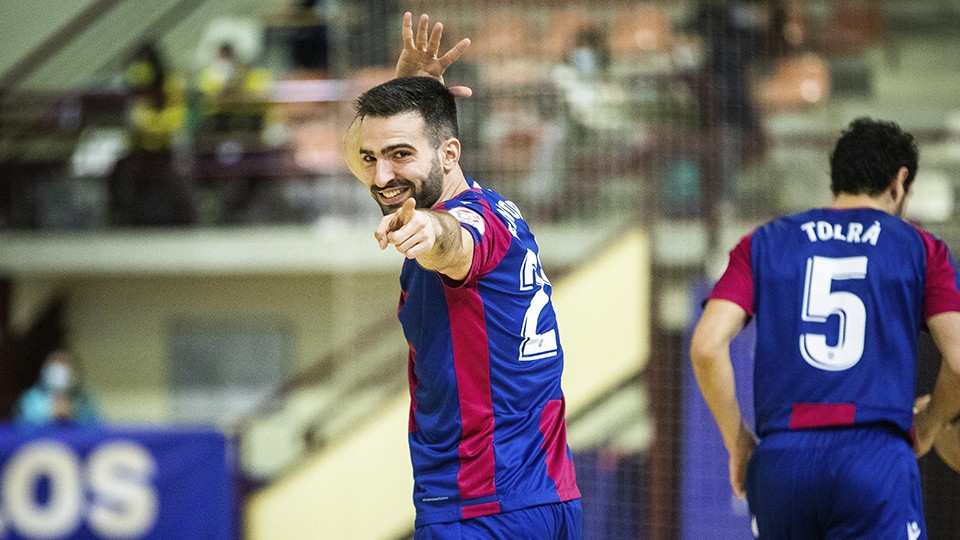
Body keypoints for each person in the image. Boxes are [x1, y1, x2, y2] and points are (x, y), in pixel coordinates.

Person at [342, 13, 582, 538]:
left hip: (480, 508)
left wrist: (427, 233)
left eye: (400, 154)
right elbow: (358, 154)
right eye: (372, 158)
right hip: (546, 498)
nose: (381, 175)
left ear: (450, 153)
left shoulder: (469, 220)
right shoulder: (501, 208)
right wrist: (401, 91)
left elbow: (455, 240)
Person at [690, 117, 960, 539]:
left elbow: (706, 346)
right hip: (873, 456)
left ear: (838, 178)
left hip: (782, 463)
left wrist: (738, 441)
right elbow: (959, 363)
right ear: (900, 181)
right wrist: (928, 425)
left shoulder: (764, 242)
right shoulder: (921, 248)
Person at [15, 349, 100, 425]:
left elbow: (93, 425)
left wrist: (74, 415)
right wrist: (50, 415)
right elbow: (22, 427)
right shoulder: (31, 399)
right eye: (55, 368)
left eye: (65, 368)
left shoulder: (84, 398)